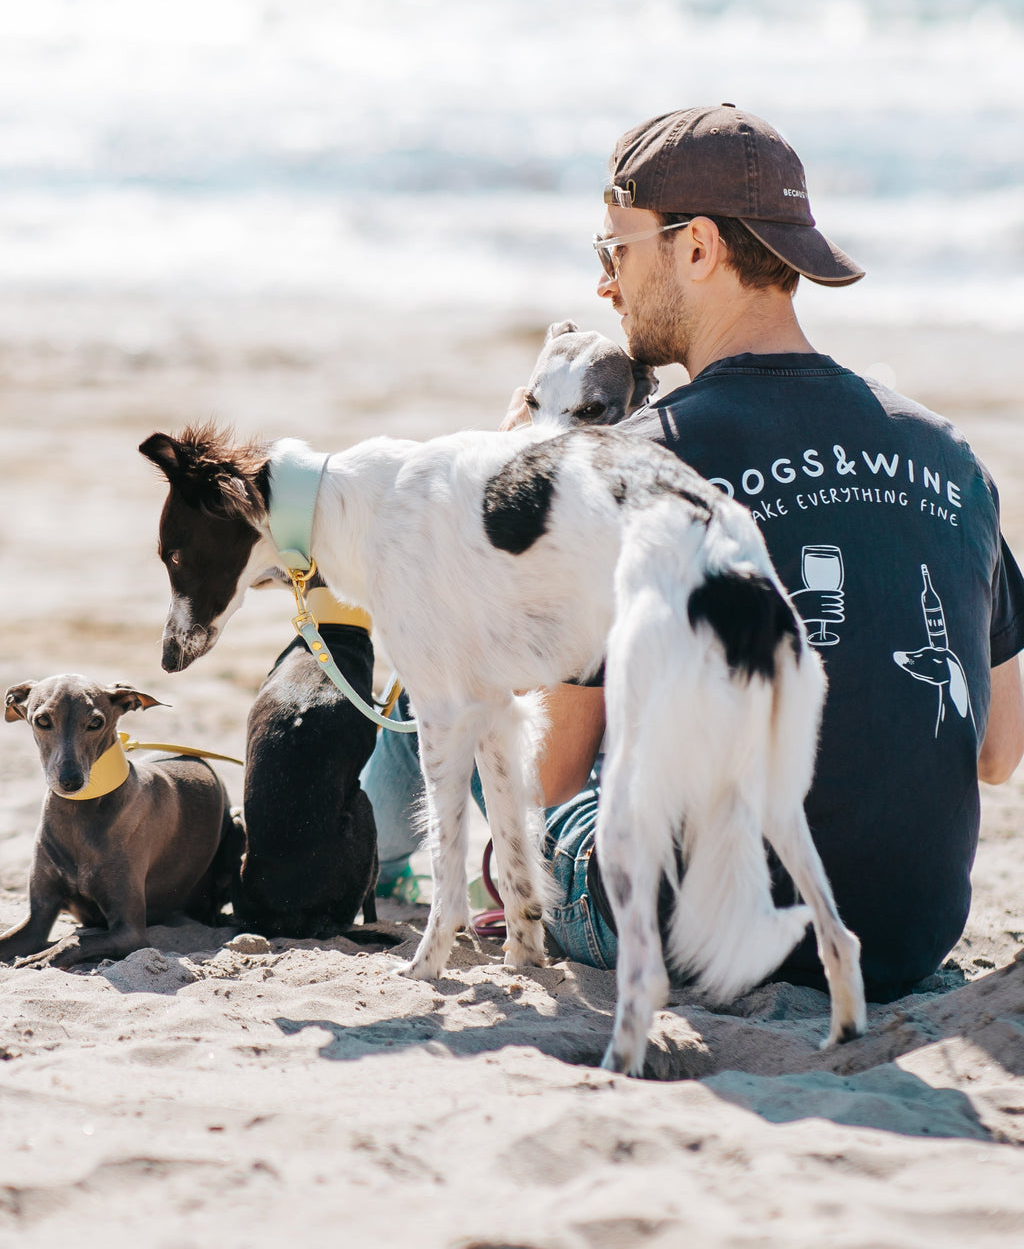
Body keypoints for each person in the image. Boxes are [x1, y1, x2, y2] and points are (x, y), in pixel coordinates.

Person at [366, 103, 1024, 1002]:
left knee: (445, 660)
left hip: (695, 933)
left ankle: (371, 863)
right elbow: (996, 752)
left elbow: (552, 773)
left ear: (700, 247)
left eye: (616, 253)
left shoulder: (637, 463)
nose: (607, 288)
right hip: (910, 933)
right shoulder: (952, 455)